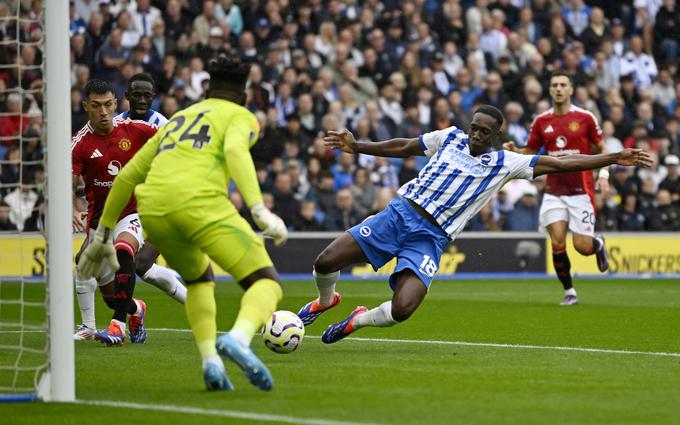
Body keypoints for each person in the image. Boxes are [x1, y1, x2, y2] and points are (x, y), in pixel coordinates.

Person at [296, 105, 651, 344]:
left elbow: (562, 164)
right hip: (398, 214)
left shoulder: (506, 162)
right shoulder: (448, 137)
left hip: (431, 237)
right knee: (325, 261)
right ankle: (326, 301)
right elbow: (405, 145)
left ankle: (356, 320)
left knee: (402, 309)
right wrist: (357, 146)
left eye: (484, 132)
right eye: (474, 129)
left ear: (496, 135)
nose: (476, 136)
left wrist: (614, 158)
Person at [78, 55, 288, 392]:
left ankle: (211, 362)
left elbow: (129, 175)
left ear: (206, 92)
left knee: (200, 281)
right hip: (199, 204)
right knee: (267, 282)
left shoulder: (179, 119)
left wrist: (103, 232)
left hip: (154, 211)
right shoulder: (241, 116)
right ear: (244, 94)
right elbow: (236, 150)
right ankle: (238, 339)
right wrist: (259, 209)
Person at [73, 74, 187, 341]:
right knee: (107, 285)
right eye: (136, 95)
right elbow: (76, 180)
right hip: (101, 219)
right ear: (126, 97)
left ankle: (117, 327)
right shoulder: (83, 141)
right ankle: (129, 311)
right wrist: (75, 205)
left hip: (146, 208)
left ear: (114, 103)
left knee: (134, 258)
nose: (141, 100)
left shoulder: (152, 126)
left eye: (147, 95)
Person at [503, 70, 610, 306]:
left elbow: (603, 149)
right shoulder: (542, 121)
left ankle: (597, 243)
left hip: (581, 191)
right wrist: (515, 150)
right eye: (555, 85)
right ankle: (569, 291)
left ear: (571, 89)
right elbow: (530, 150)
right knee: (558, 241)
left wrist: (604, 174)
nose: (559, 88)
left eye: (563, 84)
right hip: (553, 192)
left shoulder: (585, 118)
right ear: (550, 90)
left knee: (582, 247)